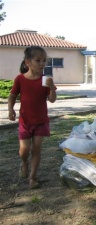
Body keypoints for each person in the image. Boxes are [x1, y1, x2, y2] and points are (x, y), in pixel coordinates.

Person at [8, 46, 57, 189]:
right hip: (25, 122)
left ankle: (33, 177)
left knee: (36, 149)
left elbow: (52, 99)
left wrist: (52, 87)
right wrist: (10, 109)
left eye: (44, 60)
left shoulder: (46, 80)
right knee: (24, 150)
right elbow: (12, 95)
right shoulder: (20, 79)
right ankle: (24, 163)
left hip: (41, 122)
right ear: (28, 62)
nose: (42, 63)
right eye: (38, 60)